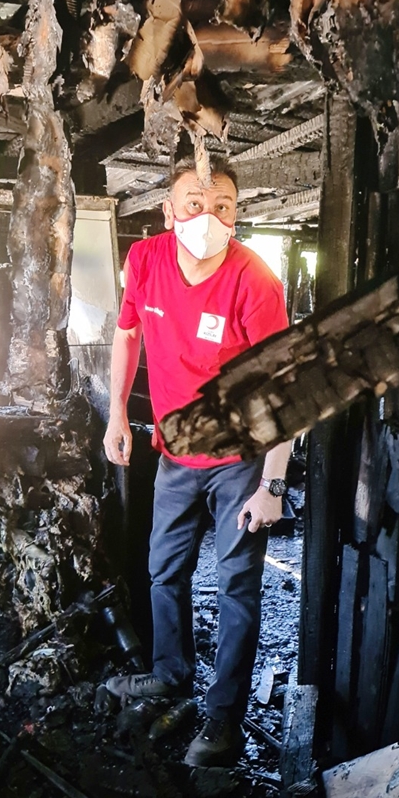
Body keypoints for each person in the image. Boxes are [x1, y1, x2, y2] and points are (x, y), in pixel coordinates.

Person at [103, 156, 292, 766]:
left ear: (236, 215)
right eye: (193, 203)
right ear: (168, 211)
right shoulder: (145, 261)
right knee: (164, 571)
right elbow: (127, 334)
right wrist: (115, 415)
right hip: (175, 455)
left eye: (223, 207)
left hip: (240, 459)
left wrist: (274, 485)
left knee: (237, 587)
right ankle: (170, 673)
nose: (207, 217)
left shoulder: (255, 281)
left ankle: (224, 720)